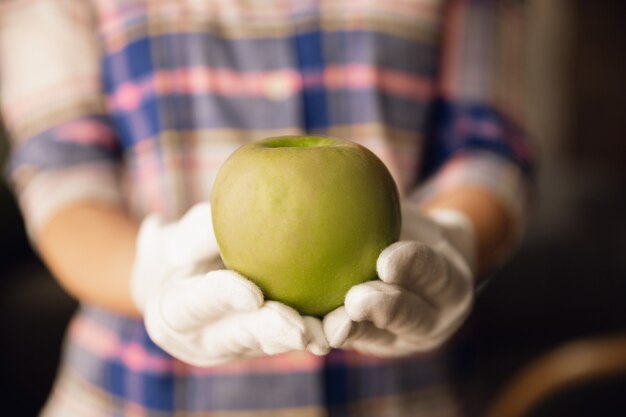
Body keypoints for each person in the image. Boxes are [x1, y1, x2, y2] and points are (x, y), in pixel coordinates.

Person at [0, 0, 533, 415]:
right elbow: (62, 174)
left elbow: (485, 150)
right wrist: (146, 274)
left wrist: (459, 240)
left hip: (411, 392)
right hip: (133, 394)